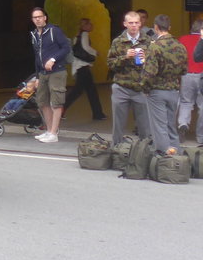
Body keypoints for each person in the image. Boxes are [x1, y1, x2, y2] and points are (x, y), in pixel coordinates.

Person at [107, 10, 152, 144]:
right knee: (118, 124)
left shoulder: (148, 41)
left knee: (144, 125)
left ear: (141, 24)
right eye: (130, 23)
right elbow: (110, 64)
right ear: (125, 24)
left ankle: (144, 152)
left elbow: (156, 66)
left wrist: (147, 59)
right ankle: (117, 150)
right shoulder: (118, 42)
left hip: (141, 88)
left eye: (136, 23)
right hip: (121, 87)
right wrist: (125, 57)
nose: (133, 25)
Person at [146, 14, 187, 154]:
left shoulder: (155, 47)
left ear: (155, 27)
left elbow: (150, 72)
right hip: (173, 90)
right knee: (171, 126)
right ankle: (177, 157)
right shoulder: (180, 46)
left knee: (159, 127)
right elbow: (184, 70)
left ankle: (164, 159)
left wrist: (145, 88)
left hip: (157, 90)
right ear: (169, 27)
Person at [29, 7, 71, 143]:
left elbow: (66, 47)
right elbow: (36, 57)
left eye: (40, 16)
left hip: (57, 71)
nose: (38, 19)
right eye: (35, 17)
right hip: (42, 73)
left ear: (45, 17)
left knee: (56, 102)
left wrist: (53, 59)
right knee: (42, 102)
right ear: (32, 20)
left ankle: (54, 133)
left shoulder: (54, 31)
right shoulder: (34, 34)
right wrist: (36, 77)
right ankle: (48, 130)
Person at [63, 17, 106, 120]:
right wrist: (96, 52)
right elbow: (86, 47)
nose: (91, 26)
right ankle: (97, 114)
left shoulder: (76, 37)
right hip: (83, 66)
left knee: (87, 90)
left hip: (78, 66)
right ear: (85, 26)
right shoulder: (85, 34)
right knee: (81, 91)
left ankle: (98, 113)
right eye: (89, 24)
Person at [178, 19, 203, 143]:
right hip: (202, 75)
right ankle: (201, 137)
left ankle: (183, 123)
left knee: (186, 102)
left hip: (187, 74)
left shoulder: (182, 39)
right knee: (202, 106)